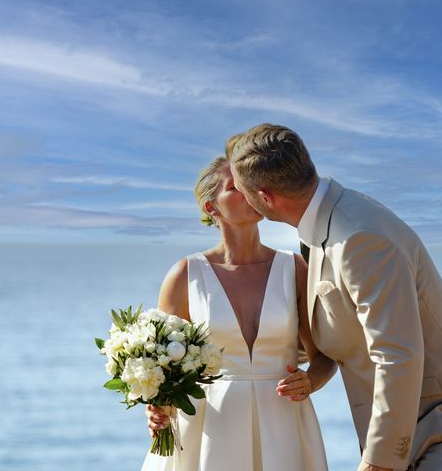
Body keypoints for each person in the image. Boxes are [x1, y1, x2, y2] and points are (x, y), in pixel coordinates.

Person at [226, 124, 442, 471]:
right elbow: (336, 329)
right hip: (416, 428)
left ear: (265, 197)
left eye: (241, 191)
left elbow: (397, 354)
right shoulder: (324, 222)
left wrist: (379, 463)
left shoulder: (358, 238)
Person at [142, 155, 336, 471]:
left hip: (283, 423)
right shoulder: (184, 275)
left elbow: (325, 357)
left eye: (252, 184)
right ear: (211, 208)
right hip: (207, 430)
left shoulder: (294, 269)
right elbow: (162, 372)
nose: (250, 192)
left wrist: (310, 382)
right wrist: (157, 410)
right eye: (235, 187)